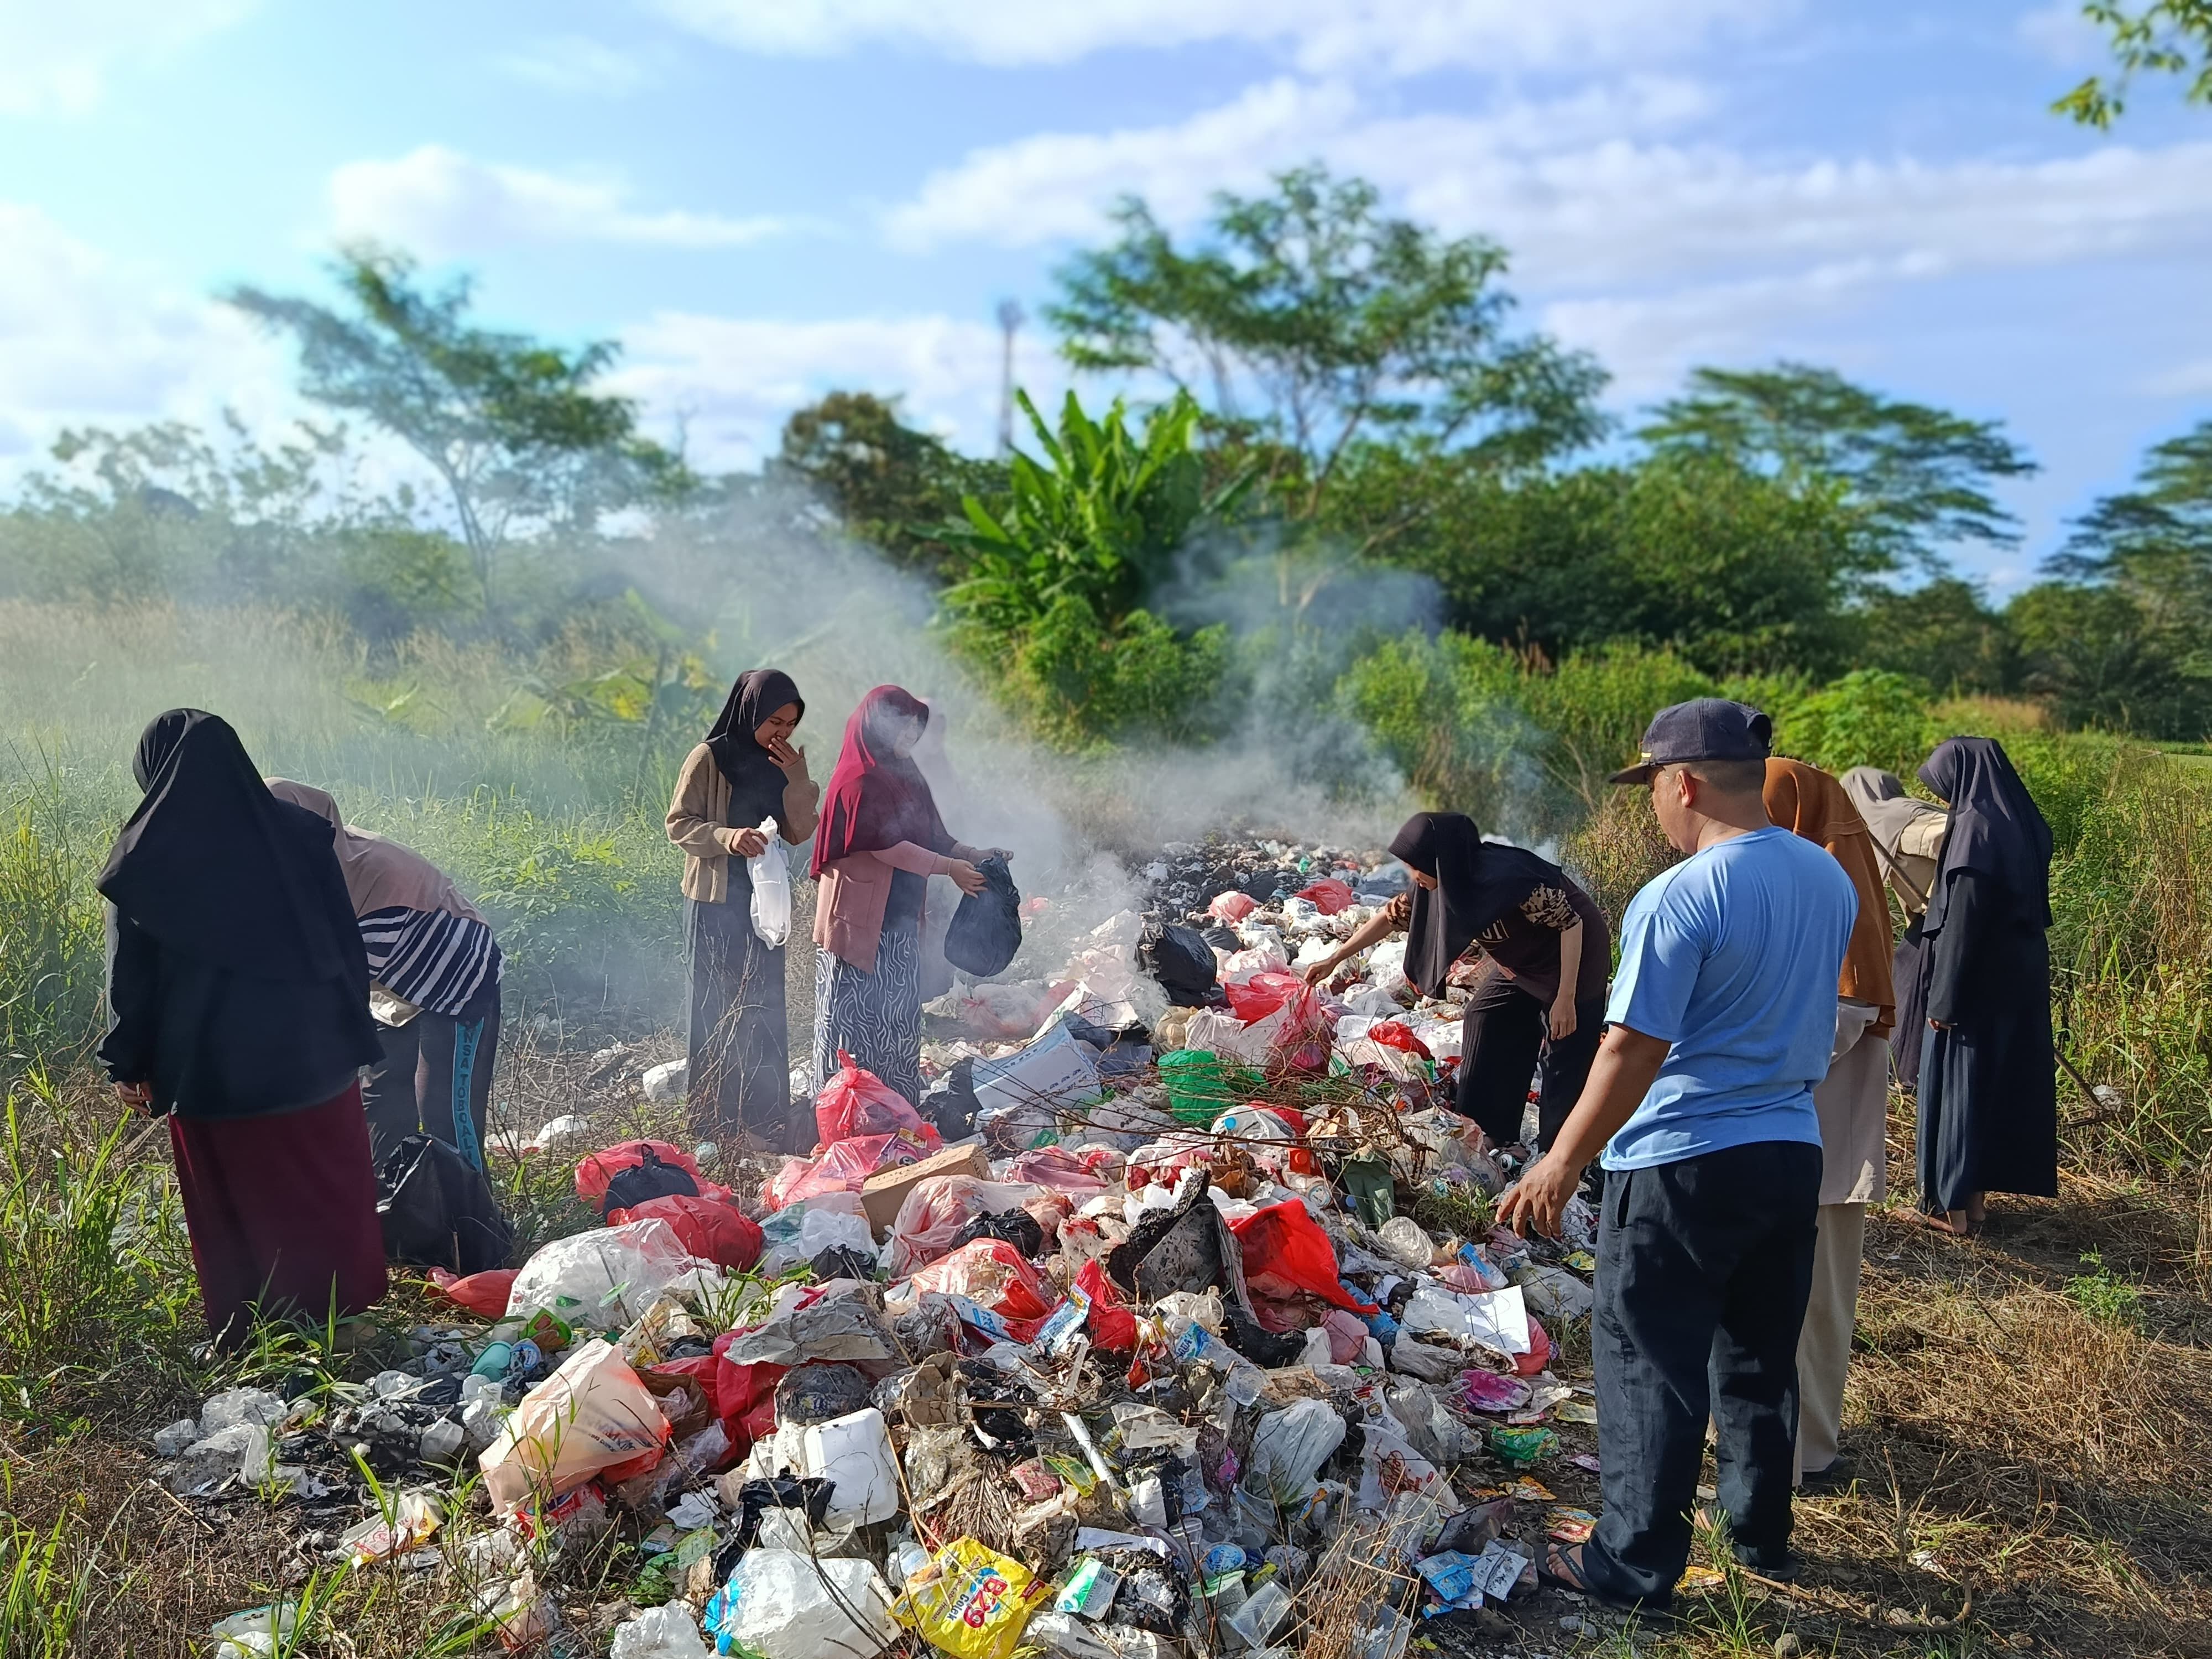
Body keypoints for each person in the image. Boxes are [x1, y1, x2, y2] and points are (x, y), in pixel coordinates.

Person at [1499, 700, 1856, 1613]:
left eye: (1654, 787)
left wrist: (1562, 1161)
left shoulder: (1683, 893)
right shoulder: (1827, 878)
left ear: (1683, 782)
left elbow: (1631, 1048)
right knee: (1757, 1354)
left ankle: (1633, 1564)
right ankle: (1760, 1536)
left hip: (1684, 1160)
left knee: (1649, 1358)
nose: (1654, 807)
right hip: (1789, 1151)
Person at [96, 710, 387, 1348]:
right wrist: (353, 1030)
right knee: (323, 1187)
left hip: (214, 1073)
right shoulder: (299, 833)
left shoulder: (144, 861)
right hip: (316, 1058)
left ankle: (255, 1332)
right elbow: (344, 943)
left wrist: (129, 1064)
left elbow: (132, 982)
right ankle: (343, 1320)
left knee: (240, 1203)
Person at [1303, 812, 1609, 1152]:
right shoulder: (1440, 881)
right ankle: (1486, 1131)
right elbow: (1389, 919)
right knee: (1486, 1016)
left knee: (1562, 1053)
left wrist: (1566, 998)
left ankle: (1560, 1154)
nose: (1412, 876)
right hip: (1522, 964)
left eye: (1415, 866)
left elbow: (1571, 924)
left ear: (1438, 859)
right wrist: (1334, 959)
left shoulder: (1510, 881)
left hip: (1575, 962)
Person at [1763, 758, 1896, 1490]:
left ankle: (1804, 1451)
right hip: (1802, 1122)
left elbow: (1840, 1019)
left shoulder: (1831, 887)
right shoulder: (1810, 879)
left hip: (1823, 1123)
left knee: (1813, 1298)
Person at [267, 780, 504, 1168]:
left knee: (444, 1109)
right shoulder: (311, 860)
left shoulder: (373, 876)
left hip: (455, 982)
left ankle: (475, 1221)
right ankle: (392, 1212)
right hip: (391, 991)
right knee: (383, 1103)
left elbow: (334, 991)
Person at [810, 686, 1000, 1107]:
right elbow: (885, 845)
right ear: (875, 726)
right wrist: (949, 868)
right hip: (857, 919)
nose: (909, 738)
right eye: (903, 728)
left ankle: (896, 1106)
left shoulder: (905, 773)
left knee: (898, 1014)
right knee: (851, 1019)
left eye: (915, 729)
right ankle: (842, 1108)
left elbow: (931, 834)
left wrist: (971, 854)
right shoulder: (859, 777)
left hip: (898, 917)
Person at [667, 668, 821, 1144]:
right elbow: (679, 824)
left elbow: (799, 833)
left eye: (791, 724)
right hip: (717, 901)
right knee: (715, 1008)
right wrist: (730, 838)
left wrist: (798, 780)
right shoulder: (709, 757)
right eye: (774, 720)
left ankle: (765, 1114)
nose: (782, 732)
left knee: (765, 1005)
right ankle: (713, 1120)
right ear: (749, 710)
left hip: (763, 905)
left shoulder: (781, 763)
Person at [1912, 737, 2057, 1237]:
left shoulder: (1974, 831)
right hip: (2016, 980)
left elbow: (1965, 923)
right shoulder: (2022, 823)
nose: (1945, 800)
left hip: (1972, 985)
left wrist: (1944, 998)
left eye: (1944, 787)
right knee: (1988, 1091)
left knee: (1958, 1091)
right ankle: (1973, 1205)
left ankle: (1948, 1211)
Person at [1841, 766, 1949, 1092]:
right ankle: (1910, 1071)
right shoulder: (1885, 820)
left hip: (1946, 915)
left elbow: (1951, 837)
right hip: (1933, 917)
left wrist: (1948, 889)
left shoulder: (1895, 816)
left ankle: (1908, 1073)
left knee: (1912, 983)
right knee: (1909, 979)